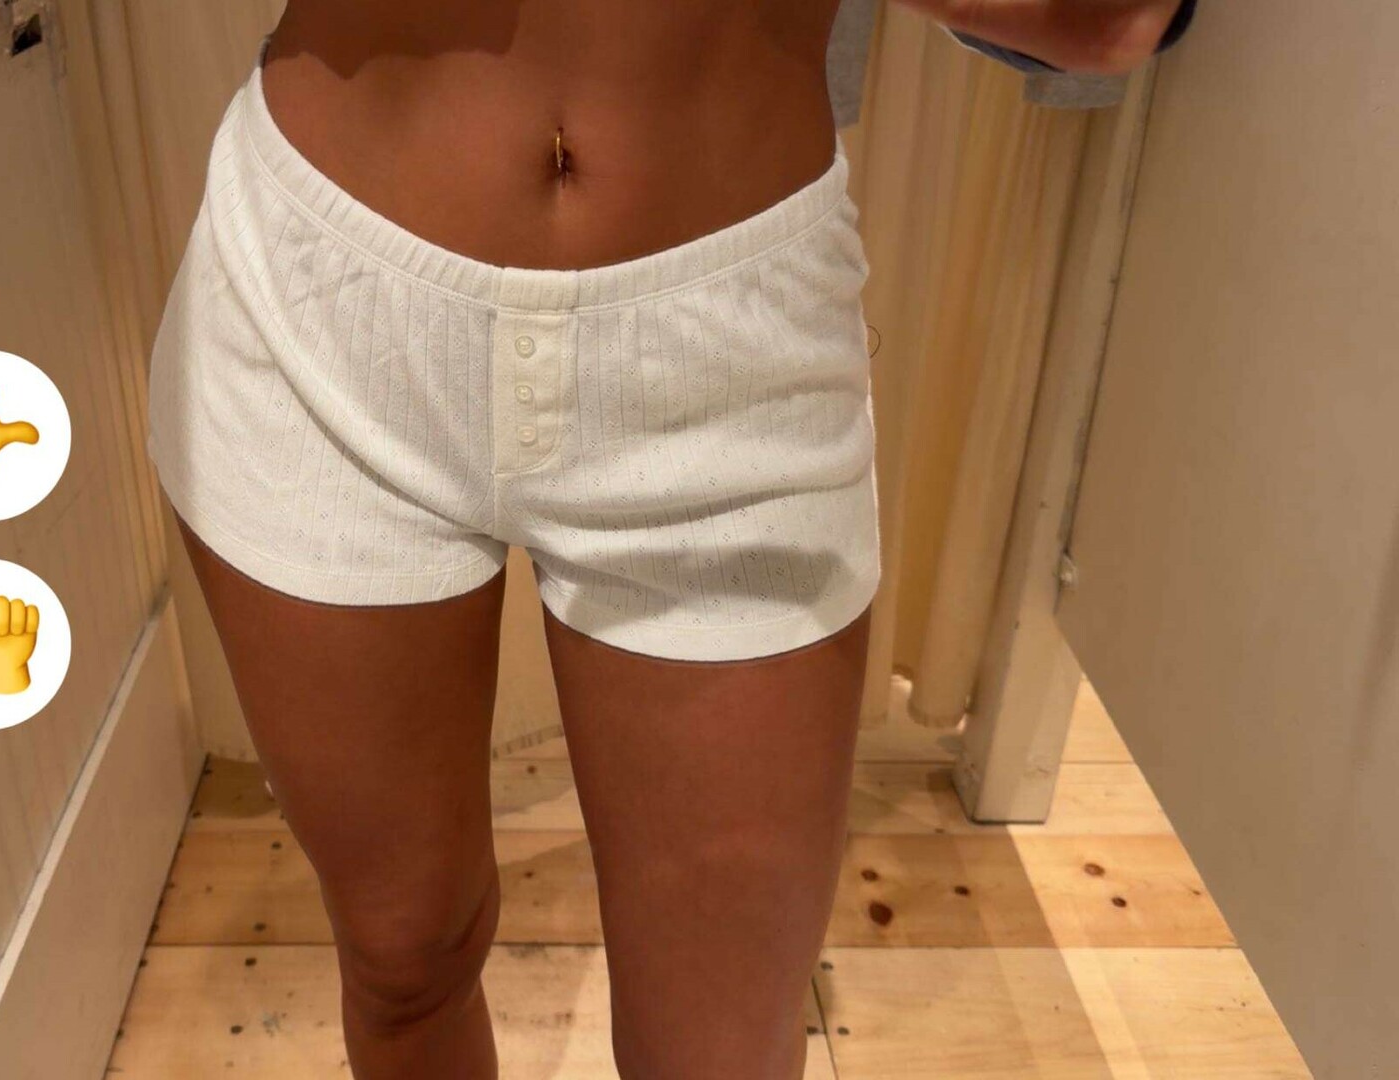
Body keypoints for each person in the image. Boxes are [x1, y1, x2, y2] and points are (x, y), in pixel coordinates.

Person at [144, 2, 1190, 1076]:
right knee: (403, 959)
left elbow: (1101, 19)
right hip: (325, 304)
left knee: (717, 1053)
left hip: (729, 348)